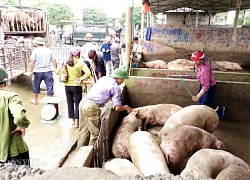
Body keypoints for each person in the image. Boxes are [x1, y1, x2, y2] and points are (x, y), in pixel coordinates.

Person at [77, 68, 132, 148]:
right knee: (95, 133)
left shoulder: (105, 78)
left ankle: (80, 153)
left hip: (84, 102)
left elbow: (103, 92)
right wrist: (126, 108)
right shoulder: (116, 88)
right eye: (122, 79)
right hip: (91, 107)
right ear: (118, 78)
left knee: (83, 131)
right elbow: (117, 108)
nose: (123, 81)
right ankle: (91, 156)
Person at [0, 66, 30, 166]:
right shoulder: (10, 97)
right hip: (13, 150)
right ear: (5, 82)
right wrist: (22, 126)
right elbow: (20, 117)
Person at [55, 47, 91, 128]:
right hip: (76, 86)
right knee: (78, 104)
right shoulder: (81, 63)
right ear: (78, 54)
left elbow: (57, 72)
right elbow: (88, 73)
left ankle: (72, 120)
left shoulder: (65, 63)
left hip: (67, 86)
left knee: (70, 103)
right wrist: (81, 78)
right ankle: (77, 122)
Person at [191, 51, 225, 119]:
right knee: (201, 103)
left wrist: (198, 96)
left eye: (196, 60)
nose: (195, 62)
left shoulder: (204, 70)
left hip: (209, 88)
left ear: (201, 60)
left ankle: (219, 109)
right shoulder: (199, 65)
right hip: (203, 84)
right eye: (193, 60)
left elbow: (206, 86)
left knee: (203, 105)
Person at [29, 37, 57, 105]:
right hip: (48, 71)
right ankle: (50, 102)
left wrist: (31, 71)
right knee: (50, 86)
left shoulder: (35, 51)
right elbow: (54, 61)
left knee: (36, 85)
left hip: (38, 72)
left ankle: (36, 100)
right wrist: (56, 69)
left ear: (37, 43)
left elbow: (32, 62)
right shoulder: (48, 50)